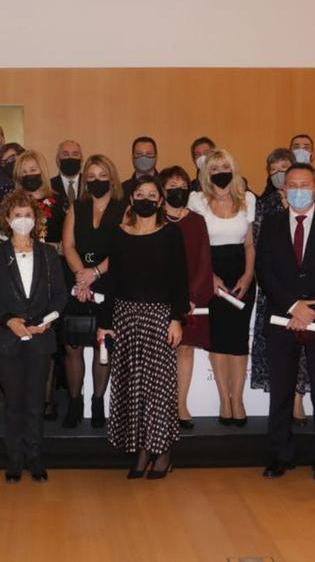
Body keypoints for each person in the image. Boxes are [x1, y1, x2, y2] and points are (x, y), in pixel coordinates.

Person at [256, 162, 315, 484]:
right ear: (284, 191)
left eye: (303, 185)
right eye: (290, 185)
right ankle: (280, 454)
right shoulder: (270, 224)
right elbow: (264, 272)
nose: (297, 190)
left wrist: (312, 308)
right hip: (282, 314)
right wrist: (293, 306)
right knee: (281, 389)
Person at [96, 175, 189, 479]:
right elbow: (112, 281)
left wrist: (176, 318)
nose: (146, 198)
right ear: (131, 199)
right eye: (140, 193)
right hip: (125, 317)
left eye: (152, 194)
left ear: (161, 200)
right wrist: (105, 323)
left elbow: (179, 280)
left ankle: (163, 453)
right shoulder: (119, 234)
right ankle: (141, 451)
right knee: (132, 388)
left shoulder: (171, 234)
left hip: (160, 318)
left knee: (158, 389)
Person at [0, 192, 68, 482]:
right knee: (14, 401)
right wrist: (10, 321)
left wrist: (46, 321)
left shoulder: (48, 254)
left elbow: (59, 295)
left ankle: (35, 457)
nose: (23, 220)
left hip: (41, 337)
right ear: (8, 220)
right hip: (8, 338)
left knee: (35, 402)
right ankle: (14, 459)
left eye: (28, 215)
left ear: (36, 219)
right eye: (17, 215)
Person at [188, 150, 257, 427]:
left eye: (225, 165)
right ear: (206, 173)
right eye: (214, 167)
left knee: (238, 341)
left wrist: (248, 275)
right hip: (210, 275)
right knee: (217, 339)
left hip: (241, 276)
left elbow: (249, 244)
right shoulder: (197, 201)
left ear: (234, 168)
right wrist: (209, 277)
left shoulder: (248, 198)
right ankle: (223, 400)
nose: (220, 171)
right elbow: (195, 244)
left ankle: (237, 399)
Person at [61, 154, 126, 429]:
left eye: (102, 175)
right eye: (91, 177)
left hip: (110, 282)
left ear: (111, 178)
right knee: (72, 346)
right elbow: (68, 245)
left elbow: (125, 247)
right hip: (77, 282)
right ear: (85, 181)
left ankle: (98, 402)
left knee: (104, 347)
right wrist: (81, 277)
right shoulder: (78, 206)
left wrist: (95, 273)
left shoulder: (125, 207)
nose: (97, 180)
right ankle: (75, 402)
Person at [250, 148, 310, 424]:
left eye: (283, 168)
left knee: (305, 346)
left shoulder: (314, 208)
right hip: (275, 293)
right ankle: (283, 402)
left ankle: (299, 398)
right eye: (272, 170)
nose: (278, 174)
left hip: (308, 296)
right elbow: (259, 250)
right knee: (279, 350)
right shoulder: (264, 206)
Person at [159, 166, 214, 428]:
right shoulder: (151, 217)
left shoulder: (197, 220)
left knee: (185, 349)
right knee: (158, 354)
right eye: (171, 185)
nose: (177, 189)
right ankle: (160, 407)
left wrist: (191, 297)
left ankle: (181, 405)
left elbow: (204, 262)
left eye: (182, 185)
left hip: (189, 299)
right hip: (156, 298)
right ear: (162, 190)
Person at [0, 150, 62, 244]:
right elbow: (2, 238)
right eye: (24, 172)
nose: (28, 175)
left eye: (33, 170)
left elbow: (66, 243)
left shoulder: (59, 202)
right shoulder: (11, 202)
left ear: (42, 171)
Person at [52, 139, 84, 219]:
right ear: (57, 160)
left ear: (82, 160)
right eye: (65, 154)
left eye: (75, 154)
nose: (70, 158)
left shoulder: (90, 184)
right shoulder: (49, 186)